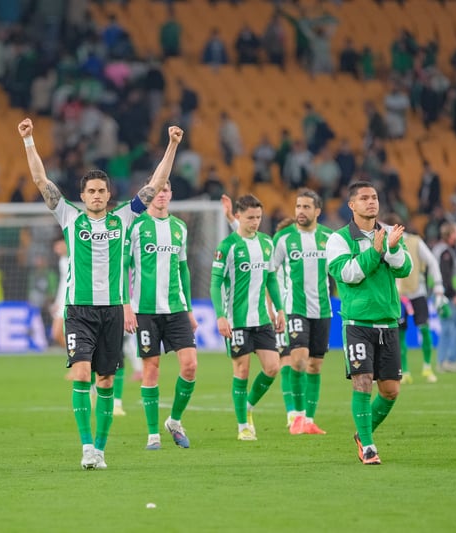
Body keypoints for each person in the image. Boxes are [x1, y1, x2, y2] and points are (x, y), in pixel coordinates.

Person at [18, 118, 183, 470]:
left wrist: (171, 145)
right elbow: (41, 180)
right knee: (81, 374)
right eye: (90, 191)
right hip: (78, 310)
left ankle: (101, 449)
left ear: (109, 195)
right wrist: (29, 140)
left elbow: (155, 185)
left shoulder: (124, 218)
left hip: (111, 312)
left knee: (106, 381)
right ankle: (86, 447)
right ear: (82, 196)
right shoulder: (69, 217)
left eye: (101, 191)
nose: (96, 195)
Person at [327, 181, 412, 465]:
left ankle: (361, 434)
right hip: (357, 323)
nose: (371, 201)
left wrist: (392, 249)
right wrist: (375, 252)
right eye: (364, 198)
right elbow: (348, 274)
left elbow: (405, 268)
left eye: (374, 197)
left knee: (390, 391)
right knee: (362, 382)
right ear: (352, 205)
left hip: (388, 322)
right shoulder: (339, 239)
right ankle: (368, 446)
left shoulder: (388, 233)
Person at [124, 180, 198, 450]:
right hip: (145, 310)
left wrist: (189, 310)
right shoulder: (135, 226)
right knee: (151, 369)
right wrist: (126, 305)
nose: (160, 195)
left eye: (165, 190)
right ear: (147, 195)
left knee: (190, 366)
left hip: (176, 308)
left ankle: (174, 421)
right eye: (155, 191)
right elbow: (123, 267)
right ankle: (152, 434)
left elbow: (183, 270)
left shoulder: (179, 227)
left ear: (171, 194)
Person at [211, 194, 285, 442]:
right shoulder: (227, 247)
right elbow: (215, 284)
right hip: (237, 321)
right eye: (250, 217)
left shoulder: (266, 243)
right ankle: (243, 425)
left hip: (262, 319)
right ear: (238, 217)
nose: (255, 222)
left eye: (258, 217)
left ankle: (248, 405)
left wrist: (280, 309)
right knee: (242, 370)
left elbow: (271, 279)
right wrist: (221, 316)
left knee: (273, 367)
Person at [269, 189, 334, 435]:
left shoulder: (329, 238)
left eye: (306, 207)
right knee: (297, 359)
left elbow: (341, 270)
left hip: (323, 309)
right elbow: (270, 274)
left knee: (315, 365)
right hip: (295, 308)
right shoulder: (284, 238)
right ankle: (296, 416)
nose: (300, 211)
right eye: (298, 206)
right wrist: (275, 308)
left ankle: (308, 420)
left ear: (317, 211)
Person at [382, 214, 444, 384]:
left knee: (423, 329)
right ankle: (405, 371)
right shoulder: (384, 242)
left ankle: (427, 367)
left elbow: (432, 262)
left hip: (417, 292)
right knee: (400, 334)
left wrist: (438, 286)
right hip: (398, 296)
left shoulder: (415, 241)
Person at [433, 222, 456, 373]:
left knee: (451, 327)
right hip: (447, 296)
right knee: (455, 327)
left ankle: (446, 361)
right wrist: (454, 295)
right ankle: (447, 361)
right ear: (451, 234)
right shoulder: (445, 252)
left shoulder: (440, 249)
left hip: (442, 295)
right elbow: (445, 276)